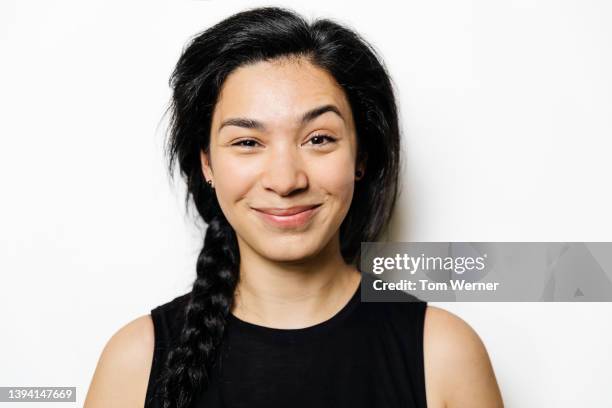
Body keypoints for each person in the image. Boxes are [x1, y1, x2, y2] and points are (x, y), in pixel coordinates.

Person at [84, 6, 503, 408]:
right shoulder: (134, 361)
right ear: (207, 163)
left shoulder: (444, 353)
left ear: (361, 157)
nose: (286, 181)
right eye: (247, 142)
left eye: (319, 138)